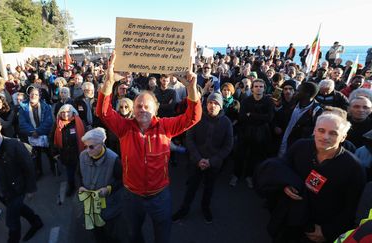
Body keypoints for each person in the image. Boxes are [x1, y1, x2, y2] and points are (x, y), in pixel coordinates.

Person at [96, 51, 202, 243]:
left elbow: (193, 117)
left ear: (155, 109)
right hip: (131, 196)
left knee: (162, 236)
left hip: (159, 196)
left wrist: (192, 89)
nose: (142, 109)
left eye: (147, 106)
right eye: (138, 106)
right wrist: (110, 81)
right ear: (133, 109)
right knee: (133, 234)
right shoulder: (124, 128)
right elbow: (103, 112)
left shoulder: (165, 127)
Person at [282, 112, 365, 242]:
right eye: (321, 130)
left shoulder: (354, 168)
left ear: (343, 137)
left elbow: (352, 206)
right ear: (314, 130)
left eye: (333, 133)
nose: (325, 137)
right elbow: (282, 167)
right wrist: (284, 184)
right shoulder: (300, 147)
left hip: (319, 229)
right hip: (291, 217)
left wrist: (328, 231)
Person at [0, 116, 43, 243]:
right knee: (19, 208)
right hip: (1, 191)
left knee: (11, 220)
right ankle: (36, 221)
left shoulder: (14, 145)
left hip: (17, 189)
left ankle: (13, 240)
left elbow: (29, 167)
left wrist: (31, 188)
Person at [172, 92, 233, 223]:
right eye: (210, 102)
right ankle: (184, 208)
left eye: (216, 103)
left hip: (214, 163)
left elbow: (228, 145)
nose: (212, 106)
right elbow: (189, 139)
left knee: (209, 187)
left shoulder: (226, 122)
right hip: (195, 161)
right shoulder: (198, 118)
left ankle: (205, 207)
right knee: (191, 187)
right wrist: (198, 159)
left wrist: (212, 161)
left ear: (221, 106)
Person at [78, 127, 125, 243]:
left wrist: (109, 189)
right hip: (91, 204)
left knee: (112, 233)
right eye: (86, 146)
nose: (88, 150)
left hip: (109, 205)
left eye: (91, 146)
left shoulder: (114, 159)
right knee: (97, 233)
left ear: (101, 144)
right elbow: (78, 174)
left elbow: (124, 180)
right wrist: (81, 185)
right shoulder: (82, 155)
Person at [236, 79, 274, 188]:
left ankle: (249, 176)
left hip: (261, 133)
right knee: (240, 154)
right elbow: (242, 117)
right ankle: (236, 174)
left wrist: (251, 115)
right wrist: (259, 117)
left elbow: (269, 118)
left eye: (261, 86)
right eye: (256, 86)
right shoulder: (246, 101)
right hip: (245, 131)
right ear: (252, 88)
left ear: (264, 88)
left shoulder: (268, 102)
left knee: (255, 156)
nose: (258, 88)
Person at [18, 87, 56, 178]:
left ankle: (54, 168)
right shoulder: (23, 107)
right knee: (36, 155)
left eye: (36, 94)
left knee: (50, 153)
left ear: (39, 96)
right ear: (28, 95)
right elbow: (22, 123)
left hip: (44, 134)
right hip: (32, 135)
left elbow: (49, 121)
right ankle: (38, 171)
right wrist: (32, 132)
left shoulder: (46, 107)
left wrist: (38, 131)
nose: (33, 95)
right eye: (32, 93)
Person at [51, 104, 85, 196]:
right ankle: (72, 187)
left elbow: (85, 138)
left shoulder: (79, 122)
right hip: (66, 155)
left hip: (79, 153)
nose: (65, 114)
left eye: (68, 112)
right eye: (63, 112)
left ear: (73, 112)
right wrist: (55, 153)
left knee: (82, 173)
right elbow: (52, 139)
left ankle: (83, 188)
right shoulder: (57, 124)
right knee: (70, 174)